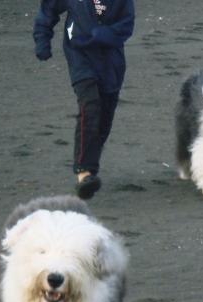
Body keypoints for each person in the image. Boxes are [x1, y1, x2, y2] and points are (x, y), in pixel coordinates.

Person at [33, 0, 135, 200]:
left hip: (111, 63)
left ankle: (90, 166)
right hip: (80, 57)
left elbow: (127, 24)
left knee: (104, 118)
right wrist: (42, 39)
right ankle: (84, 172)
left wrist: (104, 34)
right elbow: (48, 10)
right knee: (90, 107)